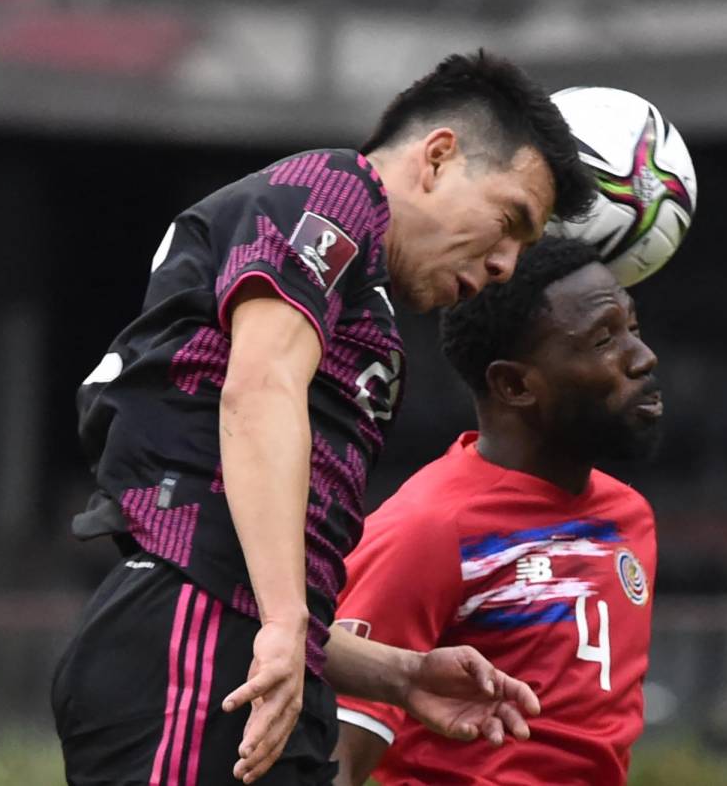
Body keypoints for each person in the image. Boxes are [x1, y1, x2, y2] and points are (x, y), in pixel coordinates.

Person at [52, 51, 595, 786]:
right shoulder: (336, 188)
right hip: (195, 648)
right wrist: (280, 626)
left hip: (244, 656)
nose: (505, 264)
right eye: (509, 222)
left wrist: (400, 675)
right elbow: (259, 387)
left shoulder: (366, 313)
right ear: (438, 158)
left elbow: (265, 578)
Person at [331, 236, 662, 786]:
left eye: (633, 327)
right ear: (514, 384)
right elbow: (338, 750)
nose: (642, 357)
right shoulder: (429, 528)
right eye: (604, 338)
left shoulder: (630, 517)